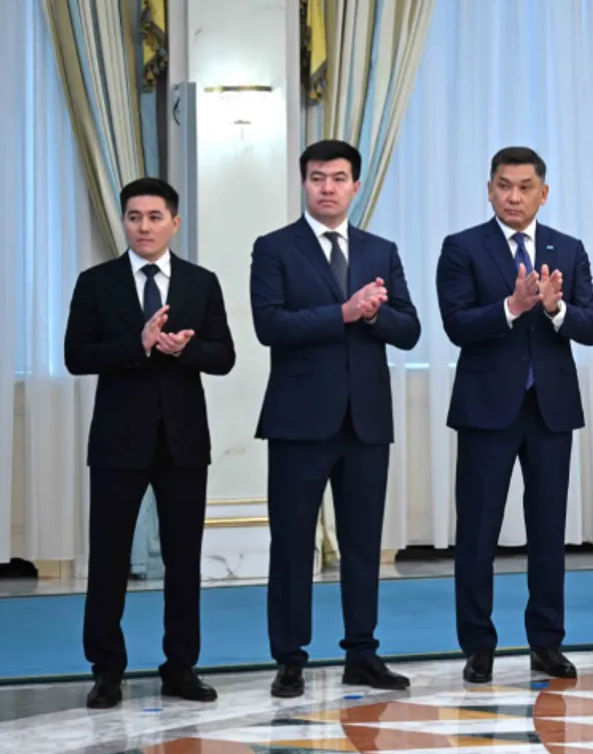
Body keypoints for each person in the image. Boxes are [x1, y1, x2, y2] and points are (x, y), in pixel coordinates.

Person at [250, 139, 421, 698]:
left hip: (366, 420)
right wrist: (343, 312)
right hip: (298, 419)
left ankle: (362, 653)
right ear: (303, 182)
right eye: (318, 177)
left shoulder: (380, 250)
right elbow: (270, 326)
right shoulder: (274, 248)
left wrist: (372, 317)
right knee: (292, 544)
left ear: (356, 186)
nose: (328, 187)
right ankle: (289, 658)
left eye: (339, 178)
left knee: (363, 544)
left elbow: (409, 328)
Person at [436, 146, 593, 685]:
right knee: (478, 531)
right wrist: (512, 307)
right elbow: (457, 324)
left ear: (543, 193)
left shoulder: (568, 249)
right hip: (487, 409)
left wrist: (555, 308)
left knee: (548, 530)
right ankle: (478, 645)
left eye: (525, 186)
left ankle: (546, 642)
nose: (514, 196)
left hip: (550, 410)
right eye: (504, 186)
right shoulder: (462, 247)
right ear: (489, 190)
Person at [64, 177, 235, 708]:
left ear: (174, 223)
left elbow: (224, 356)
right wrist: (136, 345)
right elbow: (76, 356)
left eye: (155, 217)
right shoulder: (96, 283)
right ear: (124, 221)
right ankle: (106, 670)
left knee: (183, 561)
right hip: (118, 442)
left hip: (183, 443)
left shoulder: (201, 282)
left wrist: (185, 350)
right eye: (134, 216)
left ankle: (180, 667)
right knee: (109, 559)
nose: (144, 226)